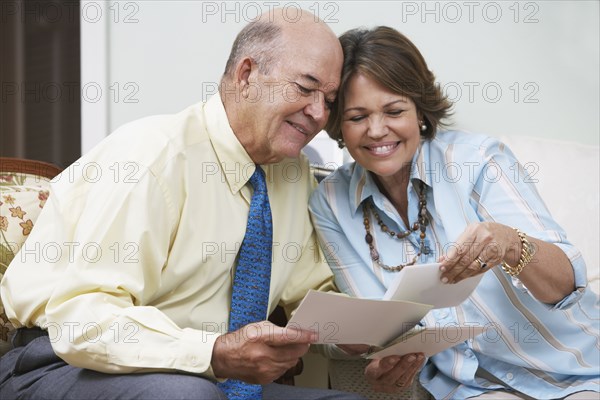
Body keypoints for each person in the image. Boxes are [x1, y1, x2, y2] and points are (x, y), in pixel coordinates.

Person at [0, 9, 366, 400]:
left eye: (328, 100)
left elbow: (310, 294)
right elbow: (80, 321)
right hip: (61, 363)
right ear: (246, 75)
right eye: (305, 88)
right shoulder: (151, 157)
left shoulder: (291, 175)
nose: (318, 113)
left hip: (203, 378)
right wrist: (215, 353)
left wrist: (368, 336)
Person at [309, 26, 599, 399]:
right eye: (356, 117)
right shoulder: (329, 201)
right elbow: (382, 328)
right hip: (471, 389)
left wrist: (511, 244)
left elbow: (566, 285)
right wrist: (383, 361)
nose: (377, 131)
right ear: (337, 124)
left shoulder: (478, 161)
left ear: (419, 110)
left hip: (579, 371)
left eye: (394, 111)